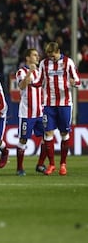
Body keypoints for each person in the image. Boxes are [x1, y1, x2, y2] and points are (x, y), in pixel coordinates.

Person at [32, 42, 81, 176]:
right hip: (48, 104)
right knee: (48, 134)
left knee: (64, 134)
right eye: (49, 56)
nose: (51, 59)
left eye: (53, 56)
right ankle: (52, 164)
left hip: (65, 104)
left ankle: (63, 164)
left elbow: (78, 80)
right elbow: (39, 81)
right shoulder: (43, 64)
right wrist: (30, 82)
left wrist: (74, 83)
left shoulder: (68, 62)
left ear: (58, 51)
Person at [15, 48, 46, 176]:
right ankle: (19, 168)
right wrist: (30, 72)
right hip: (26, 113)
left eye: (38, 55)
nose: (37, 57)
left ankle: (40, 164)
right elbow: (22, 86)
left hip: (40, 112)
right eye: (34, 55)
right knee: (23, 140)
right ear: (27, 58)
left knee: (47, 137)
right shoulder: (21, 72)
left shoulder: (40, 72)